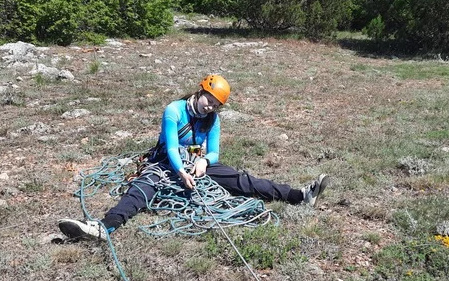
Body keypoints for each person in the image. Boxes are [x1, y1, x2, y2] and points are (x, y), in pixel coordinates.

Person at [58, 74, 329, 240]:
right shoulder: (173, 111)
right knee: (140, 189)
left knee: (242, 181)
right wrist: (181, 171)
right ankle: (104, 227)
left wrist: (205, 162)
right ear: (200, 91)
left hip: (197, 165)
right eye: (208, 99)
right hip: (166, 162)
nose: (209, 106)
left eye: (215, 104)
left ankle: (298, 196)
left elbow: (213, 150)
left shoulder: (213, 120)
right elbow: (172, 146)